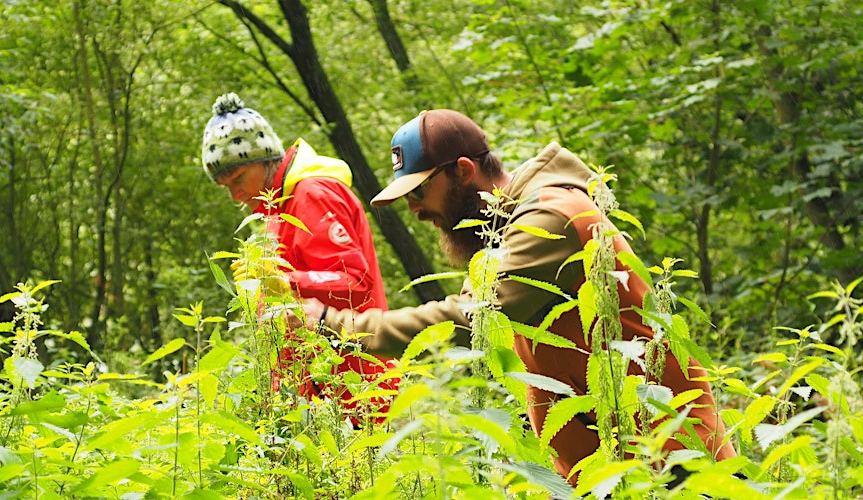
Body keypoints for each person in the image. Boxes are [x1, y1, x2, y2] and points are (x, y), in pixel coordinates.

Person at [296, 109, 738, 482]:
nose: (414, 210)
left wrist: (331, 324)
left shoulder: (551, 218)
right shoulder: (505, 235)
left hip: (671, 462)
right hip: (610, 469)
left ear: (463, 171)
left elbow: (469, 320)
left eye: (419, 191)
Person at [201, 92, 397, 422]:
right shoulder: (278, 210)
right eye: (225, 186)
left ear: (266, 160)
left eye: (238, 179)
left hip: (355, 390)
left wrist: (285, 281)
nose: (234, 194)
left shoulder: (311, 195)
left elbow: (356, 281)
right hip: (320, 400)